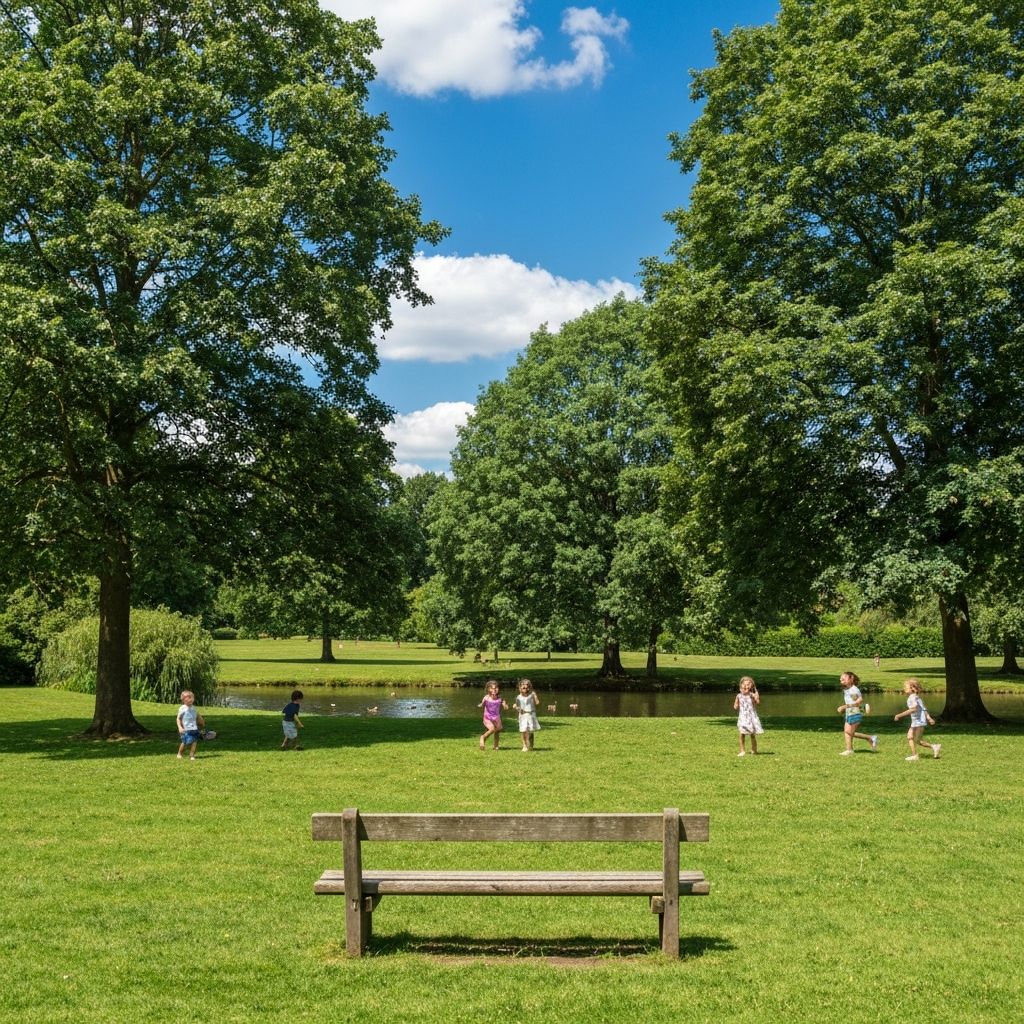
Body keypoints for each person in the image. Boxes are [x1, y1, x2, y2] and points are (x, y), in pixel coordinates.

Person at [894, 678, 941, 760]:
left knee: (917, 740)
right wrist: (929, 718)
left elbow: (913, 709)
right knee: (910, 737)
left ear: (912, 688)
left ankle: (932, 747)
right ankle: (915, 754)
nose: (904, 688)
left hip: (919, 722)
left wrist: (899, 715)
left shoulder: (912, 698)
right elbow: (924, 709)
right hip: (917, 721)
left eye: (906, 687)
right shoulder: (916, 697)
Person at [837, 671, 878, 755]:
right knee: (847, 731)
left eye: (843, 678)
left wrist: (844, 707)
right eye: (840, 679)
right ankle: (850, 749)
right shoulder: (848, 689)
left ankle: (870, 738)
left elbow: (858, 702)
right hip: (850, 712)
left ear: (851, 679)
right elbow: (855, 702)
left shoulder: (853, 690)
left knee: (849, 732)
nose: (841, 679)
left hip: (855, 713)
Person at [734, 675, 763, 756]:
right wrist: (736, 706)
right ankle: (742, 751)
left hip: (751, 717)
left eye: (748, 685)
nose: (746, 686)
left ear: (751, 686)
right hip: (743, 717)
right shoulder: (739, 695)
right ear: (741, 686)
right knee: (741, 734)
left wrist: (756, 697)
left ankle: (754, 750)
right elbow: (735, 705)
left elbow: (758, 703)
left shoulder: (752, 695)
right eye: (744, 685)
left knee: (752, 734)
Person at [478, 680, 507, 750]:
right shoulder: (486, 698)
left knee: (496, 732)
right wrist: (481, 705)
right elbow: (482, 704)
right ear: (488, 689)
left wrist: (505, 706)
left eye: (496, 688)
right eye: (492, 688)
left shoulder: (500, 698)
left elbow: (505, 706)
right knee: (492, 729)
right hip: (488, 717)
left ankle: (496, 746)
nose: (494, 689)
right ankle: (482, 737)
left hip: (496, 718)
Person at [176, 690, 205, 761]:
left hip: (194, 728)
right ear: (183, 699)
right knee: (185, 742)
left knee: (194, 742)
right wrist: (180, 727)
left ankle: (192, 755)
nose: (191, 699)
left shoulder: (193, 708)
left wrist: (201, 723)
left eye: (192, 697)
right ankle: (179, 753)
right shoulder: (182, 708)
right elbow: (178, 719)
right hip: (186, 729)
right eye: (188, 697)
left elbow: (197, 716)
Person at [514, 678, 541, 751]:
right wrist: (517, 708)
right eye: (523, 686)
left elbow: (537, 703)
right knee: (523, 730)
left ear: (529, 687)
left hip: (531, 714)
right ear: (520, 688)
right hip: (523, 715)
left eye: (526, 686)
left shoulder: (531, 695)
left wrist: (535, 696)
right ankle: (524, 745)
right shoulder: (518, 697)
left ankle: (531, 744)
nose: (525, 688)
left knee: (530, 731)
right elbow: (517, 706)